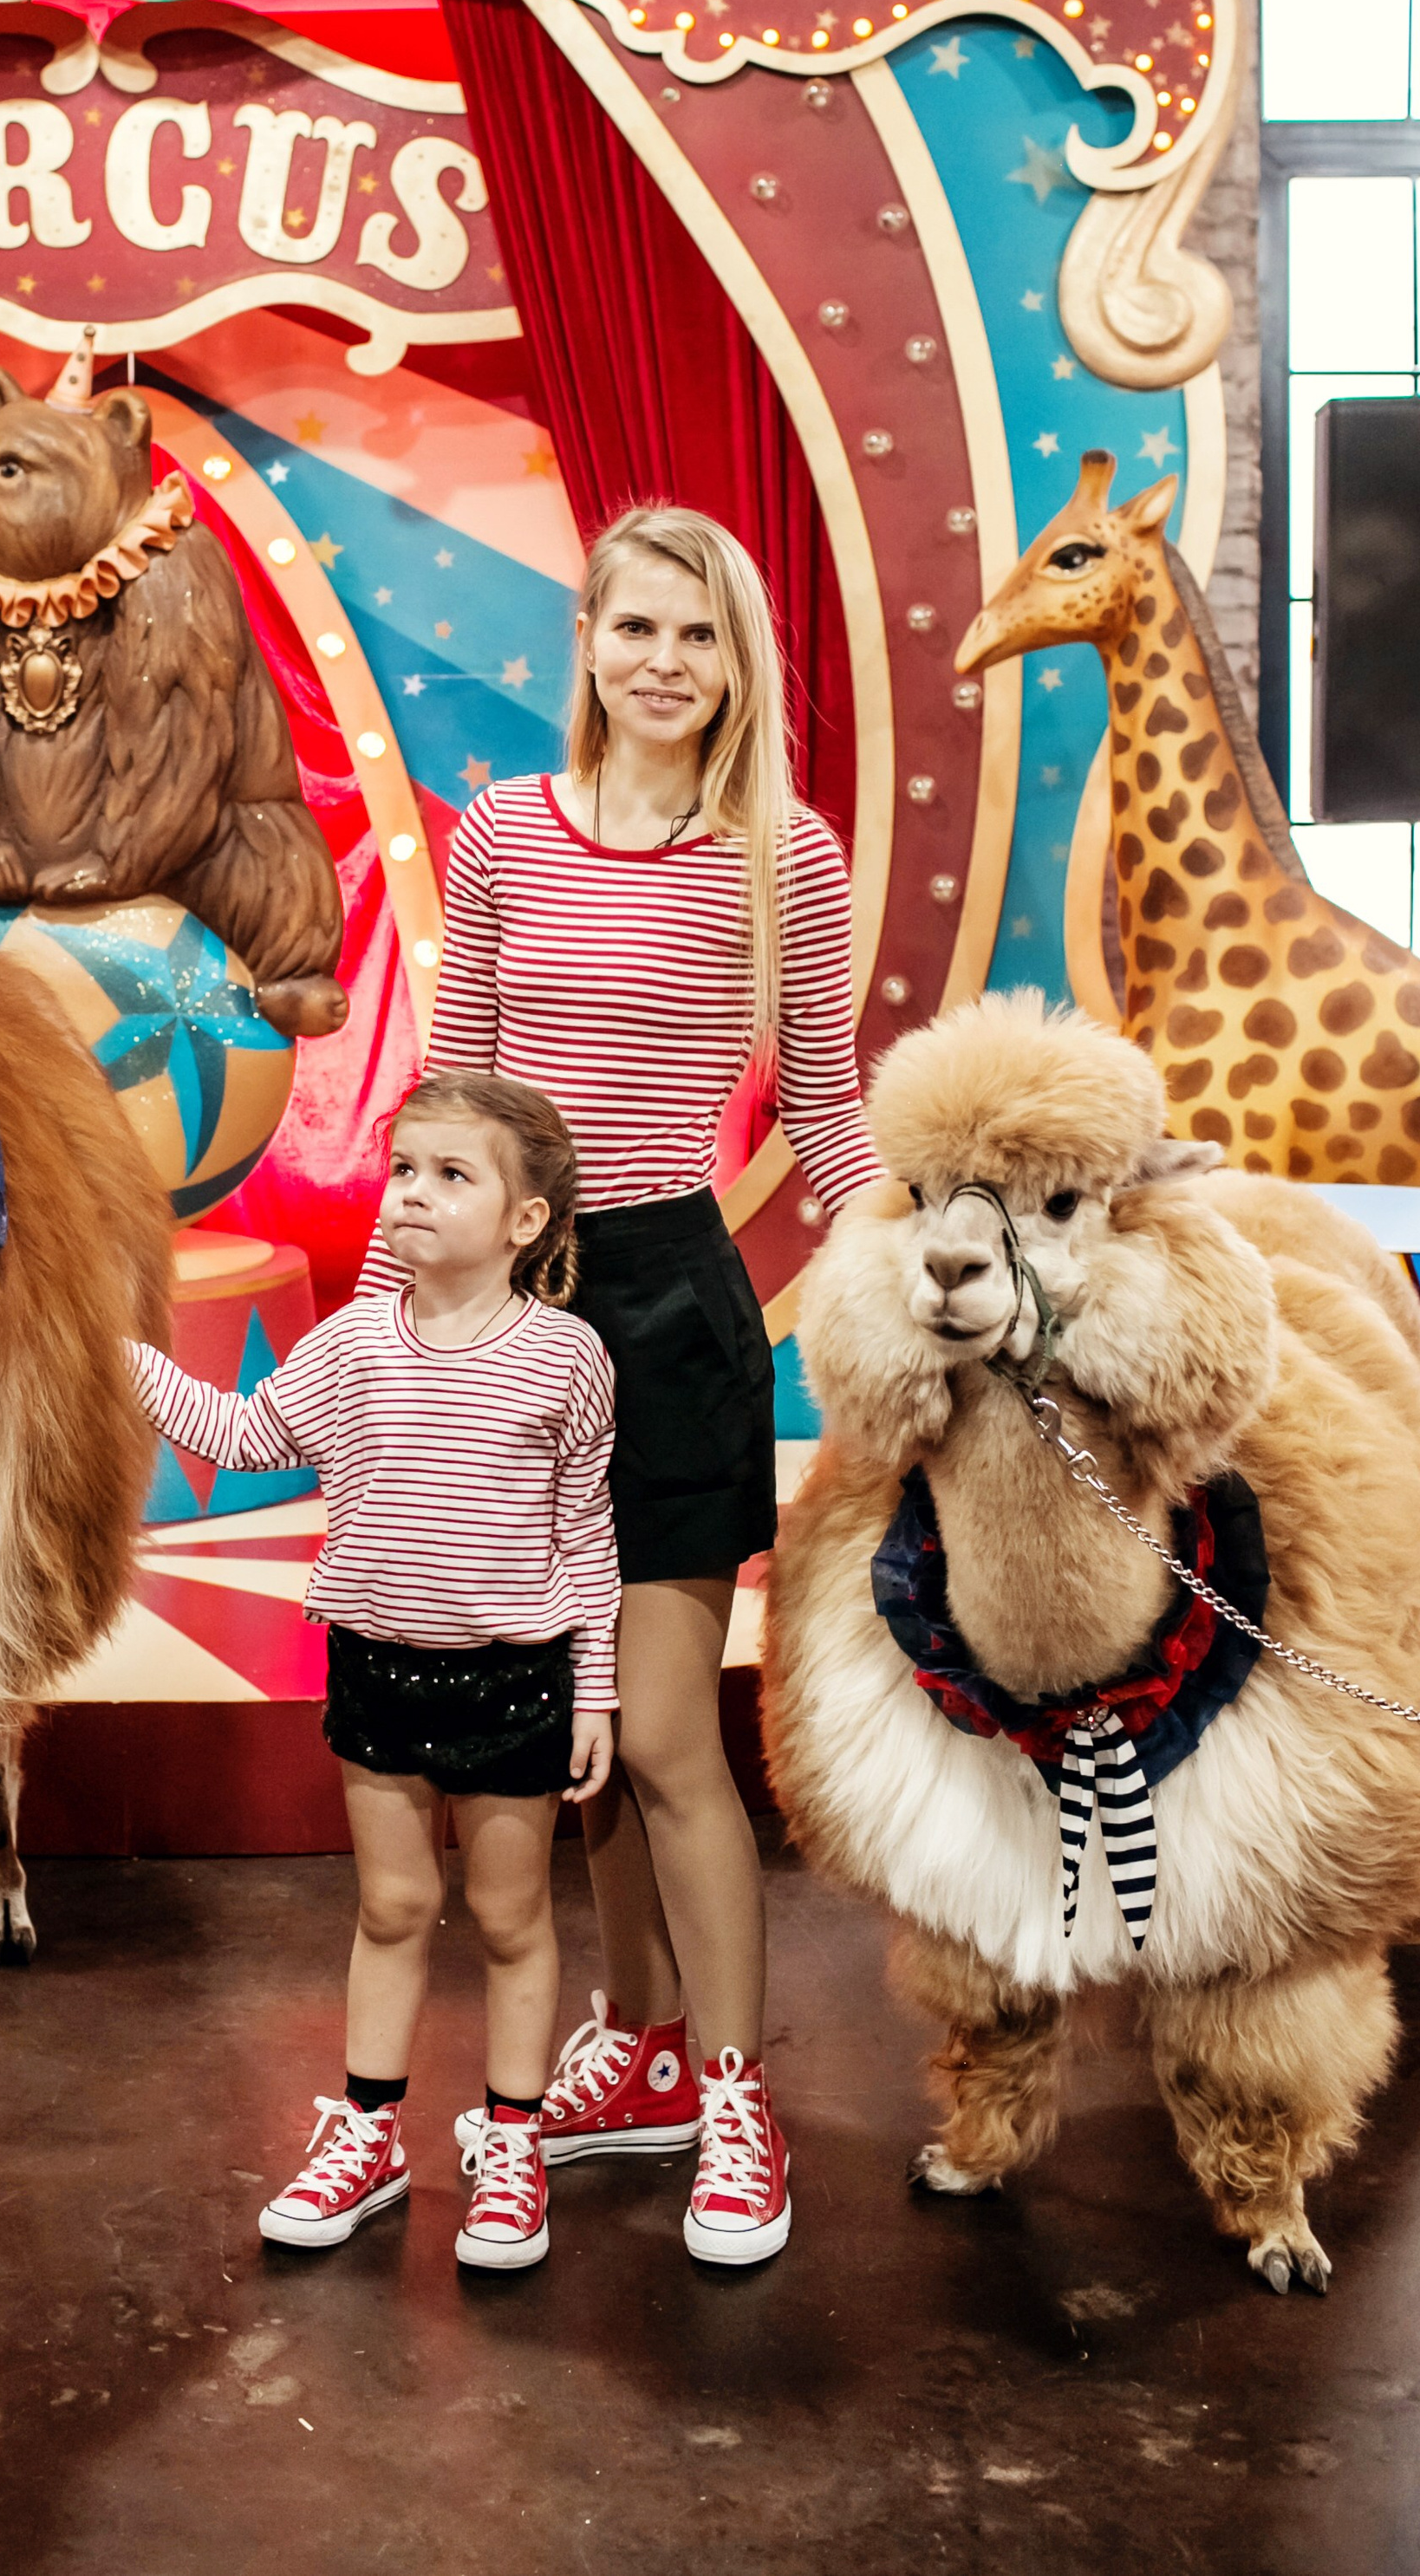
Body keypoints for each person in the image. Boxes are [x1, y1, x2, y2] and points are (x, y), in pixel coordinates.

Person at [366, 504, 881, 2266]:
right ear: (583, 641)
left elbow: (825, 1107)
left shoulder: (781, 857)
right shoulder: (503, 830)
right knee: (559, 1746)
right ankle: (641, 2050)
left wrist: (909, 1283)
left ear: (735, 664)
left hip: (668, 1305)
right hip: (503, 1310)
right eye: (636, 626)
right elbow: (450, 1107)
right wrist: (380, 1333)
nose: (665, 661)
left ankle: (737, 2093)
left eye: (700, 634)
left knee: (662, 1731)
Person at [129, 1070, 617, 2274]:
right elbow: (247, 1433)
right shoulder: (350, 1342)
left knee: (510, 1916)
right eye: (404, 1167)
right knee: (392, 1905)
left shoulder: (566, 1357)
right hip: (376, 1667)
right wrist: (118, 1357)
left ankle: (511, 2140)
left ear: (524, 1220)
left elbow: (587, 1534)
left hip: (515, 1675)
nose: (412, 1192)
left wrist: (596, 1685)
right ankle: (368, 2133)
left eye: (453, 1174)